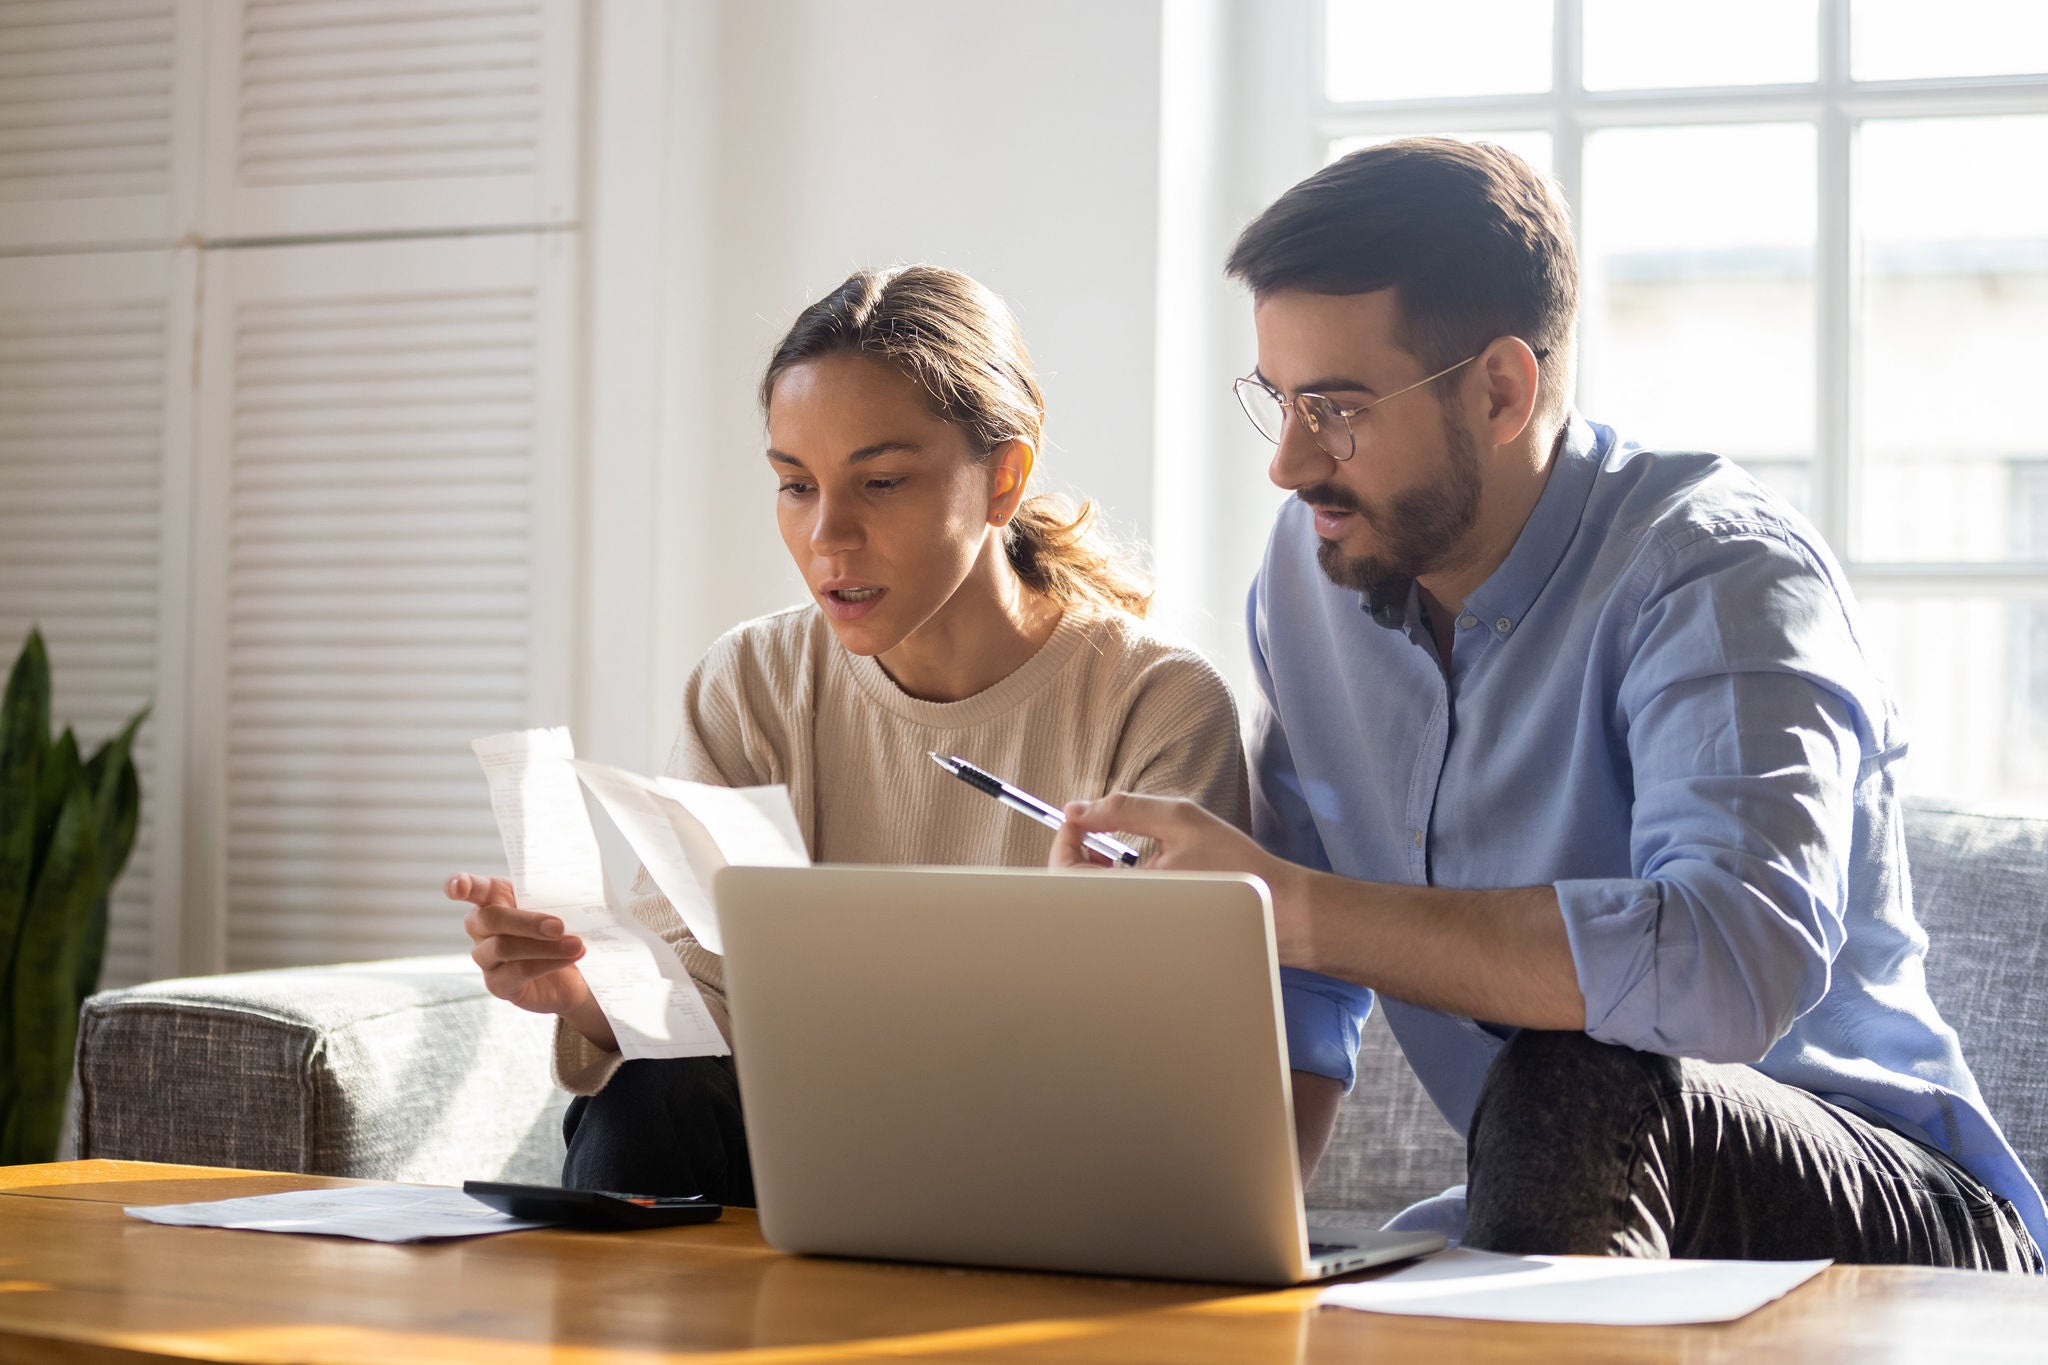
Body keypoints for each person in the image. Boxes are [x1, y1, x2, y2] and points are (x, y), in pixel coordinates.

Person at [1053, 138, 2045, 1271]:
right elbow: (1299, 987)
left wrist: (1293, 904)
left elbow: (1727, 962)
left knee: (1574, 1067)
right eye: (1275, 400)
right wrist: (1210, 1255)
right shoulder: (1309, 575)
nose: (1286, 464)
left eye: (1332, 408)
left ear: (1499, 389)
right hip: (1562, 1201)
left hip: (1894, 1212)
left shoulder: (1715, 575)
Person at [446, 265, 1249, 1204]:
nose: (830, 534)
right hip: (804, 1167)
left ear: (1004, 476)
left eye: (881, 481)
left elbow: (1169, 1075)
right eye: (796, 485)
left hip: (1041, 1165)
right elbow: (702, 1003)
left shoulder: (1157, 704)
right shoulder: (750, 683)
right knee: (651, 1095)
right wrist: (579, 991)